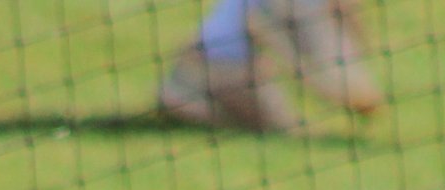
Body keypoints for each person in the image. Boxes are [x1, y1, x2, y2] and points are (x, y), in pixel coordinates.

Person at [159, 0, 380, 134]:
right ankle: (198, 103)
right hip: (228, 72)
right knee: (290, 133)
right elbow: (268, 37)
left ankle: (193, 101)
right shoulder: (306, 6)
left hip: (190, 62)